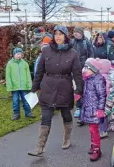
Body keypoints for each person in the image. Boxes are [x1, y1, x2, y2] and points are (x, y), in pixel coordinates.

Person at [28, 25, 83, 157]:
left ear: (65, 36)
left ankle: (67, 137)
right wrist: (33, 89)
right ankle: (40, 146)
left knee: (66, 115)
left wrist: (79, 91)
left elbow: (77, 74)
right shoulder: (46, 51)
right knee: (46, 117)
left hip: (64, 88)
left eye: (61, 34)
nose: (58, 36)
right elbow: (39, 71)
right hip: (48, 87)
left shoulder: (73, 53)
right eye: (56, 34)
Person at [80, 58, 107, 161]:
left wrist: (100, 109)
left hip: (95, 110)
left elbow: (102, 95)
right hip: (89, 108)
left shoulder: (98, 79)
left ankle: (97, 149)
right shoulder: (88, 79)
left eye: (88, 67)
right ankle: (93, 145)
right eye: (85, 67)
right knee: (91, 129)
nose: (84, 69)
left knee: (94, 130)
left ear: (94, 69)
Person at [71, 26, 94, 124]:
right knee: (77, 90)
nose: (75, 33)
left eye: (77, 32)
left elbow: (91, 55)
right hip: (74, 70)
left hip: (85, 70)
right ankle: (79, 109)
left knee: (85, 91)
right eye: (74, 32)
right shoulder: (72, 43)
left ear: (81, 33)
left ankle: (85, 111)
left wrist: (89, 68)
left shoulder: (87, 43)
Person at [6, 48, 35, 120]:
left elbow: (28, 75)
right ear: (14, 54)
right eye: (18, 54)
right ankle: (16, 114)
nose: (19, 56)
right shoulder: (10, 64)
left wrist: (29, 84)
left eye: (21, 54)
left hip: (23, 86)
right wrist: (10, 86)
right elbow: (8, 76)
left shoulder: (25, 64)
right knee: (15, 101)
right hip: (14, 87)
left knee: (26, 100)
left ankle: (28, 113)